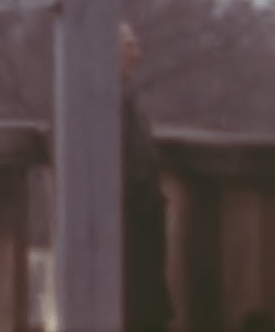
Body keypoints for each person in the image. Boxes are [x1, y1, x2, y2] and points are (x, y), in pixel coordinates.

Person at [120, 21, 173, 331]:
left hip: (139, 240)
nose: (137, 55)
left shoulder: (125, 102)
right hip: (126, 243)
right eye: (130, 46)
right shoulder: (98, 103)